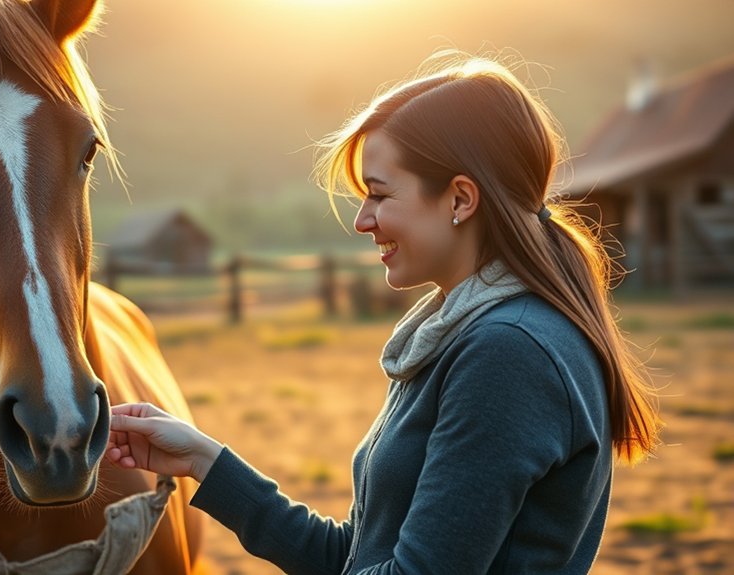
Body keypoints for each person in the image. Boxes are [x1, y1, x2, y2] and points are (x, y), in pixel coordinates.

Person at [105, 54, 662, 574]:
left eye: (379, 194)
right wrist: (205, 460)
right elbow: (358, 556)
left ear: (461, 200)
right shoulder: (461, 333)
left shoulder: (508, 353)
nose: (363, 221)